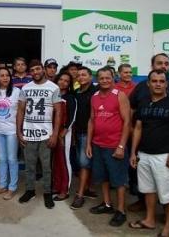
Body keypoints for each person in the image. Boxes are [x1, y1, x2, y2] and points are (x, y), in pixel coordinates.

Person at [127, 53, 169, 212]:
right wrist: (132, 129)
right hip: (144, 144)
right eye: (159, 63)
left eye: (166, 63)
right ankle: (143, 202)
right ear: (152, 66)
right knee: (143, 178)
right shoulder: (141, 87)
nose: (163, 66)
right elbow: (132, 108)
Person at [86, 67, 130, 227]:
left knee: (118, 181)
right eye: (102, 78)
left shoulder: (120, 96)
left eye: (108, 78)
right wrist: (89, 143)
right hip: (98, 145)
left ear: (113, 78)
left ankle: (121, 211)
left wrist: (121, 145)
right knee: (102, 177)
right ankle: (107, 204)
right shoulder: (95, 96)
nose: (105, 80)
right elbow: (91, 120)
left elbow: (127, 122)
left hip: (114, 146)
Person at [17, 59, 62, 209]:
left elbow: (58, 113)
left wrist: (55, 134)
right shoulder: (25, 88)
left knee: (46, 166)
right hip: (29, 132)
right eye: (33, 70)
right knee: (29, 165)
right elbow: (21, 110)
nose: (35, 72)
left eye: (38, 69)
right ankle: (30, 190)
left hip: (46, 134)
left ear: (43, 69)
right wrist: (19, 131)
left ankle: (47, 193)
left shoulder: (53, 87)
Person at [0, 67, 22, 200]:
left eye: (7, 75)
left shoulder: (16, 91)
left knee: (12, 159)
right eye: (2, 75)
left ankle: (12, 187)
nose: (5, 78)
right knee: (2, 159)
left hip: (12, 131)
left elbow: (21, 110)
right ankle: (2, 185)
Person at [70, 66, 98, 210]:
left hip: (91, 133)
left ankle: (80, 195)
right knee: (85, 163)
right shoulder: (76, 93)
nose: (81, 77)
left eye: (84, 75)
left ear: (90, 77)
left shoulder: (96, 92)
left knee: (84, 163)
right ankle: (87, 188)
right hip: (78, 132)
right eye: (79, 75)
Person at [52, 72, 77, 201]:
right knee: (56, 161)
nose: (62, 82)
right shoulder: (53, 95)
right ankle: (57, 186)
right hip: (53, 131)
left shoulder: (71, 98)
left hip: (64, 134)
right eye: (61, 79)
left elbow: (72, 118)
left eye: (66, 81)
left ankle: (64, 190)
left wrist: (64, 132)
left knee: (64, 161)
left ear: (69, 84)